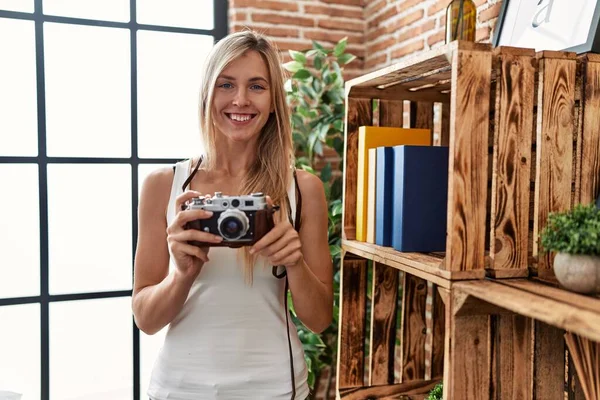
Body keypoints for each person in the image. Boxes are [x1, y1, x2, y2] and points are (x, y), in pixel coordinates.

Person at [132, 30, 333, 400]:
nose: (240, 99)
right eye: (226, 84)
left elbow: (319, 320)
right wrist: (181, 275)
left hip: (276, 389)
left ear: (274, 101)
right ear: (208, 94)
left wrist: (294, 262)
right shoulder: (165, 185)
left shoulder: (303, 189)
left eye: (257, 86)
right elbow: (145, 319)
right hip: (179, 389)